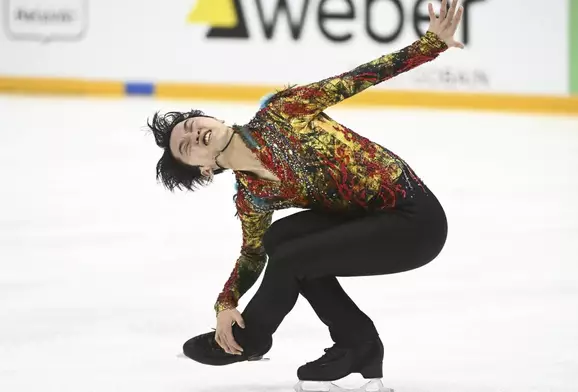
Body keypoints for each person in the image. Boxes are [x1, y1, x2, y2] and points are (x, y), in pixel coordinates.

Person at [146, 0, 463, 389]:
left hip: (415, 221)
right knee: (279, 239)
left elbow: (357, 78)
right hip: (371, 220)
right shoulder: (253, 195)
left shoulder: (283, 112)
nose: (194, 134)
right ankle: (357, 343)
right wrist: (226, 303)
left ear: (214, 118)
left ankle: (251, 341)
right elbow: (252, 254)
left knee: (293, 258)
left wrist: (432, 44)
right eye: (187, 146)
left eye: (193, 125)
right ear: (205, 168)